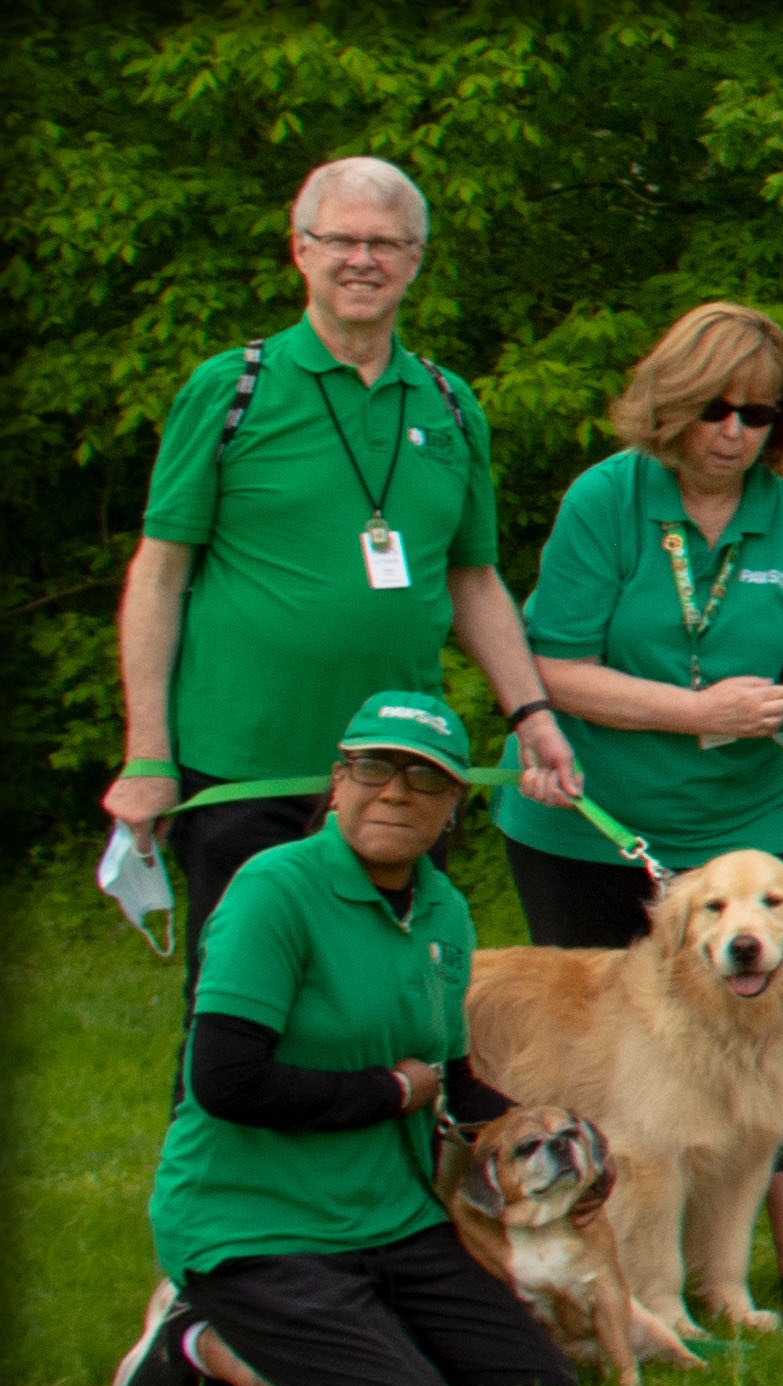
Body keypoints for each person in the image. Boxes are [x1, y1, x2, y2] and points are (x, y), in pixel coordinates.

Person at [100, 156, 577, 1011]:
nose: (363, 259)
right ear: (301, 251)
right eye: (342, 240)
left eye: (386, 243)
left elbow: (473, 580)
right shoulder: (232, 389)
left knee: (393, 1005)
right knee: (240, 1010)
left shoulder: (448, 404)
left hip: (402, 773)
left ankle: (383, 1149)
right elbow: (160, 573)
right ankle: (221, 1149)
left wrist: (531, 715)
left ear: (416, 259)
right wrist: (147, 755)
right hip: (245, 770)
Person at [489, 302, 783, 1308]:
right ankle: (581, 1260)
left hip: (743, 822)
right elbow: (553, 665)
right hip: (593, 812)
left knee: (770, 1028)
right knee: (605, 1055)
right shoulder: (606, 501)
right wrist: (698, 709)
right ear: (671, 402)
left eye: (760, 413)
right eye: (715, 409)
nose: (735, 433)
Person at [110, 692, 578, 1386]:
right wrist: (390, 1091)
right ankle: (194, 1338)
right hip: (255, 1222)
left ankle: (351, 1333)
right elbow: (224, 1081)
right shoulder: (274, 889)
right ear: (339, 779)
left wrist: (566, 1138)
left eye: (424, 778)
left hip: (392, 1219)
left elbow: (450, 1082)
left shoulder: (443, 909)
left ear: (453, 803)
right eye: (373, 768)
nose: (395, 791)